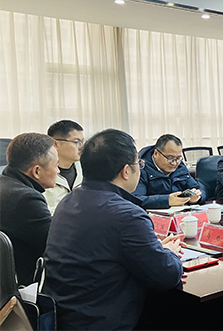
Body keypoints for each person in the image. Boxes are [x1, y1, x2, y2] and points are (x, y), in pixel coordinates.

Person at [43, 129, 184, 330]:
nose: (140, 169)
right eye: (139, 164)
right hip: (102, 322)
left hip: (64, 317)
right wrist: (168, 253)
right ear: (126, 171)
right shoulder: (128, 215)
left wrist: (153, 249)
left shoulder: (68, 201)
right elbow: (166, 276)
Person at [0, 133, 58, 286]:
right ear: (37, 171)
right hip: (26, 287)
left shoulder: (6, 185)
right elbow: (58, 245)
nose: (58, 171)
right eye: (56, 165)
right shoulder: (26, 199)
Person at [135, 134, 205, 209]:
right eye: (170, 158)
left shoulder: (179, 166)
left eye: (178, 158)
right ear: (156, 153)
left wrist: (197, 197)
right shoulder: (141, 168)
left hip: (181, 212)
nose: (174, 163)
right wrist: (167, 200)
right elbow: (137, 199)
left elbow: (200, 189)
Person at [43, 120, 84, 213]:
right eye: (76, 142)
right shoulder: (41, 173)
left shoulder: (85, 169)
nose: (81, 147)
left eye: (82, 142)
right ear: (55, 144)